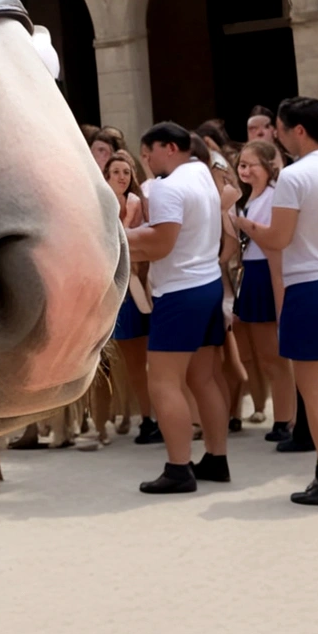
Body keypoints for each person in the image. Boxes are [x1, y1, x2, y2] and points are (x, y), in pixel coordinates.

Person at [232, 97, 318, 504]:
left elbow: (278, 239)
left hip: (310, 283)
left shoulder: (295, 176)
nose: (278, 135)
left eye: (281, 128)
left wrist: (246, 223)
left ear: (297, 131)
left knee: (317, 388)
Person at [127, 122, 230, 494]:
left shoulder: (171, 186)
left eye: (148, 152)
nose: (146, 161)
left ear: (169, 148)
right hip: (206, 283)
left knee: (164, 381)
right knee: (204, 378)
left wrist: (116, 238)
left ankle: (178, 467)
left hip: (181, 290)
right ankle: (216, 459)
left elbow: (159, 244)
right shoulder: (201, 172)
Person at [229, 140, 294, 442]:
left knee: (274, 357)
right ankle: (282, 416)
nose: (245, 170)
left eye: (251, 165)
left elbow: (275, 244)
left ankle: (285, 418)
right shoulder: (249, 198)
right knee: (261, 355)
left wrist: (244, 225)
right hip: (251, 275)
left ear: (268, 166)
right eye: (242, 164)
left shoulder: (272, 197)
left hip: (267, 274)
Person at [103, 150, 155, 440]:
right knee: (132, 364)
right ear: (106, 177)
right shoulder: (101, 207)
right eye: (116, 172)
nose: (122, 177)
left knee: (146, 360)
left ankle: (151, 418)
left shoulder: (138, 205)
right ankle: (145, 417)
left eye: (126, 172)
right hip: (117, 292)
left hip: (140, 291)